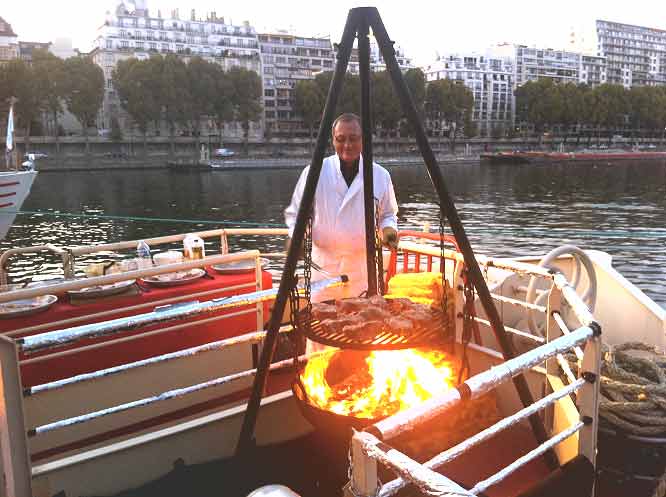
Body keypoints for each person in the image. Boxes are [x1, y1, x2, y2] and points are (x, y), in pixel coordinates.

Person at [285, 113, 399, 301]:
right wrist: (295, 238)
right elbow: (297, 214)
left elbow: (388, 214)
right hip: (324, 271)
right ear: (333, 140)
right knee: (322, 323)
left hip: (362, 271)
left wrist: (388, 230)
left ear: (363, 140)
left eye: (353, 139)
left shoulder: (380, 175)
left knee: (363, 325)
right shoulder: (314, 172)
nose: (347, 145)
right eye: (341, 139)